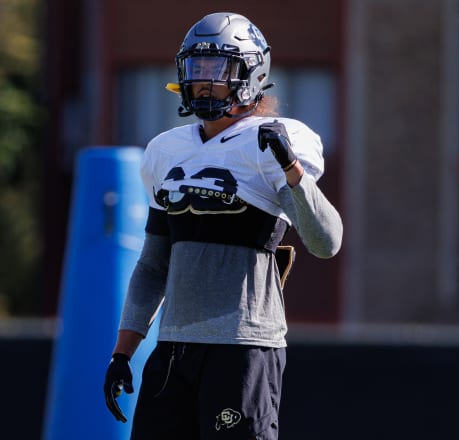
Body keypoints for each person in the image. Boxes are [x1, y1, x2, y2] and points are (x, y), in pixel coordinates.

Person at [103, 11, 343, 440]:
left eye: (218, 69)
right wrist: (123, 353)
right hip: (174, 346)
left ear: (253, 73)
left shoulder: (272, 140)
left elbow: (325, 242)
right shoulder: (166, 150)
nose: (204, 81)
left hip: (244, 346)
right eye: (196, 68)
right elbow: (154, 266)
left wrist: (292, 170)